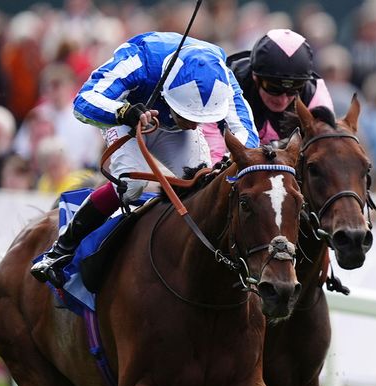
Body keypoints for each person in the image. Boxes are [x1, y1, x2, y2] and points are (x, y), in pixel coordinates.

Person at [30, 31, 259, 287]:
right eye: (190, 116)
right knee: (131, 185)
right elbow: (83, 102)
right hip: (126, 118)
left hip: (166, 124)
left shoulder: (220, 73)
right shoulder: (141, 59)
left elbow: (246, 133)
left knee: (202, 185)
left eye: (201, 118)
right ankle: (62, 248)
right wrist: (124, 111)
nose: (195, 125)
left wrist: (230, 160)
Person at [210, 28, 333, 157]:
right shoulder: (227, 83)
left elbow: (325, 149)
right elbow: (211, 143)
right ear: (255, 77)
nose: (283, 99)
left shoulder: (313, 91)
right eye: (274, 88)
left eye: (293, 90)